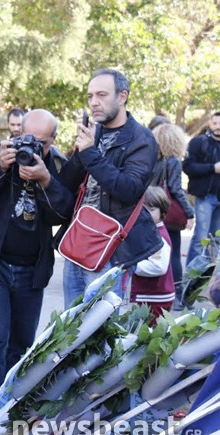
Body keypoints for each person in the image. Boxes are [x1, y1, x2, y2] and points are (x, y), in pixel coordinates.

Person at [0, 109, 73, 411]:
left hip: (32, 268)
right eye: (26, 139)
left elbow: (63, 213)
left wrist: (46, 180)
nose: (31, 149)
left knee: (22, 342)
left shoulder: (59, 166)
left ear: (53, 140)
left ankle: (12, 404)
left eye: (40, 143)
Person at [59, 68, 162, 307]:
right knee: (69, 328)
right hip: (78, 241)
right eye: (90, 96)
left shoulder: (141, 139)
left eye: (102, 95)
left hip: (111, 249)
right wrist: (80, 151)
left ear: (122, 96)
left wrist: (90, 154)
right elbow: (67, 183)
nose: (94, 102)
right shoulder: (92, 133)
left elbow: (129, 189)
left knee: (102, 331)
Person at [149, 123, 193, 304]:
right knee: (173, 253)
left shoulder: (153, 159)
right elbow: (175, 189)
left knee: (153, 252)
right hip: (167, 212)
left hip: (150, 209)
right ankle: (176, 295)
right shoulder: (173, 161)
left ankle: (154, 291)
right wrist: (190, 213)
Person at [130, 186, 173, 324]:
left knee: (150, 335)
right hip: (150, 296)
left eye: (151, 209)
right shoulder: (149, 231)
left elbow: (158, 267)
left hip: (155, 297)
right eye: (142, 209)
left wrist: (132, 265)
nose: (146, 213)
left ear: (162, 211)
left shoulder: (157, 237)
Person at [183, 111, 220, 265]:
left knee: (216, 240)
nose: (218, 127)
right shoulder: (198, 142)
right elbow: (187, 167)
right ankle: (190, 282)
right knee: (201, 238)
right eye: (215, 123)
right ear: (209, 124)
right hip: (205, 197)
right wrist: (212, 168)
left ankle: (208, 281)